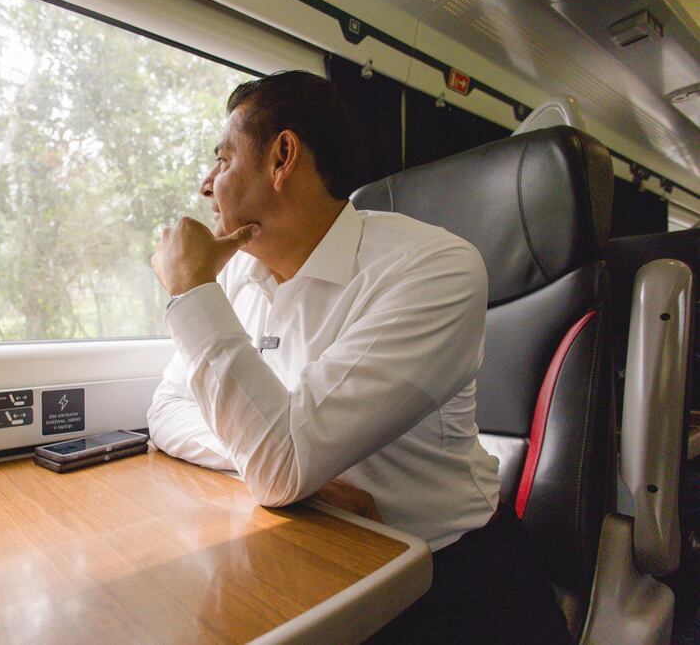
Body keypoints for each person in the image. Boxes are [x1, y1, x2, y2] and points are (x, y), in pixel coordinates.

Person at [147, 70, 571, 643]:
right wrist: (295, 478)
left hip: (450, 575)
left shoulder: (432, 268)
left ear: (283, 157)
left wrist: (190, 289)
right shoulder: (241, 278)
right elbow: (167, 408)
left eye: (222, 160)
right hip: (321, 541)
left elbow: (281, 465)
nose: (206, 185)